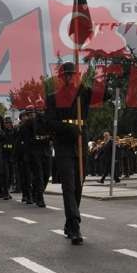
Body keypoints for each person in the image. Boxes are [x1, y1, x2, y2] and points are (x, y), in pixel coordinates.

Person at [44, 62, 90, 245]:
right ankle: (75, 225)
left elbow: (106, 94)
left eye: (73, 74)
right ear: (61, 78)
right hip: (64, 145)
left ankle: (69, 224)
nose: (70, 77)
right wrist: (68, 128)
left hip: (80, 143)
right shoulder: (53, 98)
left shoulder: (83, 93)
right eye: (67, 75)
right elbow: (49, 123)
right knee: (69, 187)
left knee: (78, 186)